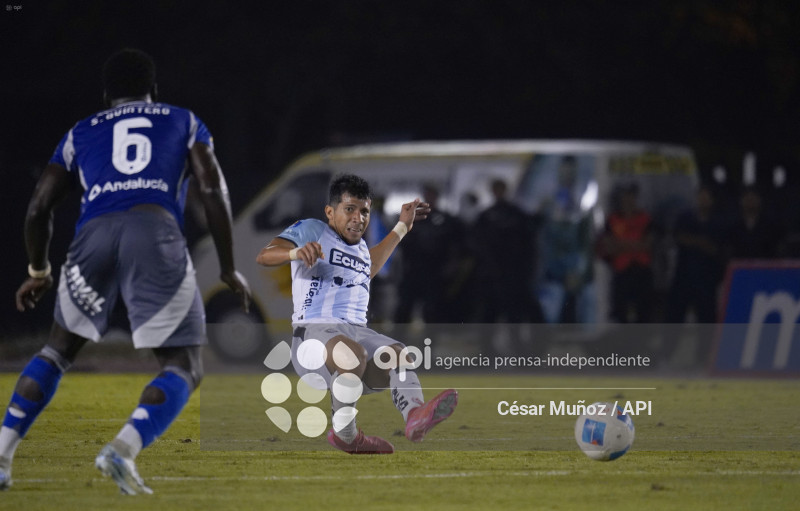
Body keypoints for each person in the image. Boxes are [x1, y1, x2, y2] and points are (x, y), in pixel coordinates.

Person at [1, 49, 251, 494]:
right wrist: (229, 268)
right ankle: (124, 447)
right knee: (183, 364)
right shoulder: (182, 120)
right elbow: (211, 188)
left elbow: (39, 208)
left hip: (92, 236)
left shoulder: (81, 132)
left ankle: (2, 454)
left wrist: (39, 269)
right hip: (153, 232)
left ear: (105, 96)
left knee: (57, 351)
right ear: (154, 91)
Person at [256, 174, 457, 454]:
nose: (358, 218)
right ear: (330, 212)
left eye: (364, 211)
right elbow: (265, 255)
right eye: (349, 209)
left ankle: (415, 418)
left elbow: (368, 266)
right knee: (352, 354)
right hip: (313, 337)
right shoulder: (314, 231)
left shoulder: (361, 248)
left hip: (355, 335)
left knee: (399, 355)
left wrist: (401, 227)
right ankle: (345, 434)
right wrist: (296, 253)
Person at [394, 184, 465, 324]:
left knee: (433, 311)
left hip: (435, 271)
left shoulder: (446, 220)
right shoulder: (413, 219)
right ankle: (398, 340)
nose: (429, 198)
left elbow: (456, 244)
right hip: (413, 270)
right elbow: (401, 243)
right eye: (427, 195)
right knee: (404, 308)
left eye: (432, 195)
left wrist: (452, 265)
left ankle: (430, 342)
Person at [598, 183, 654, 323]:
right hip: (621, 273)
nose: (628, 199)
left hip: (642, 272)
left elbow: (647, 245)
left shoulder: (645, 219)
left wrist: (621, 244)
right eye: (625, 195)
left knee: (643, 313)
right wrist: (634, 244)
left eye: (631, 195)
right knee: (620, 313)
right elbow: (608, 247)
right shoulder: (612, 220)